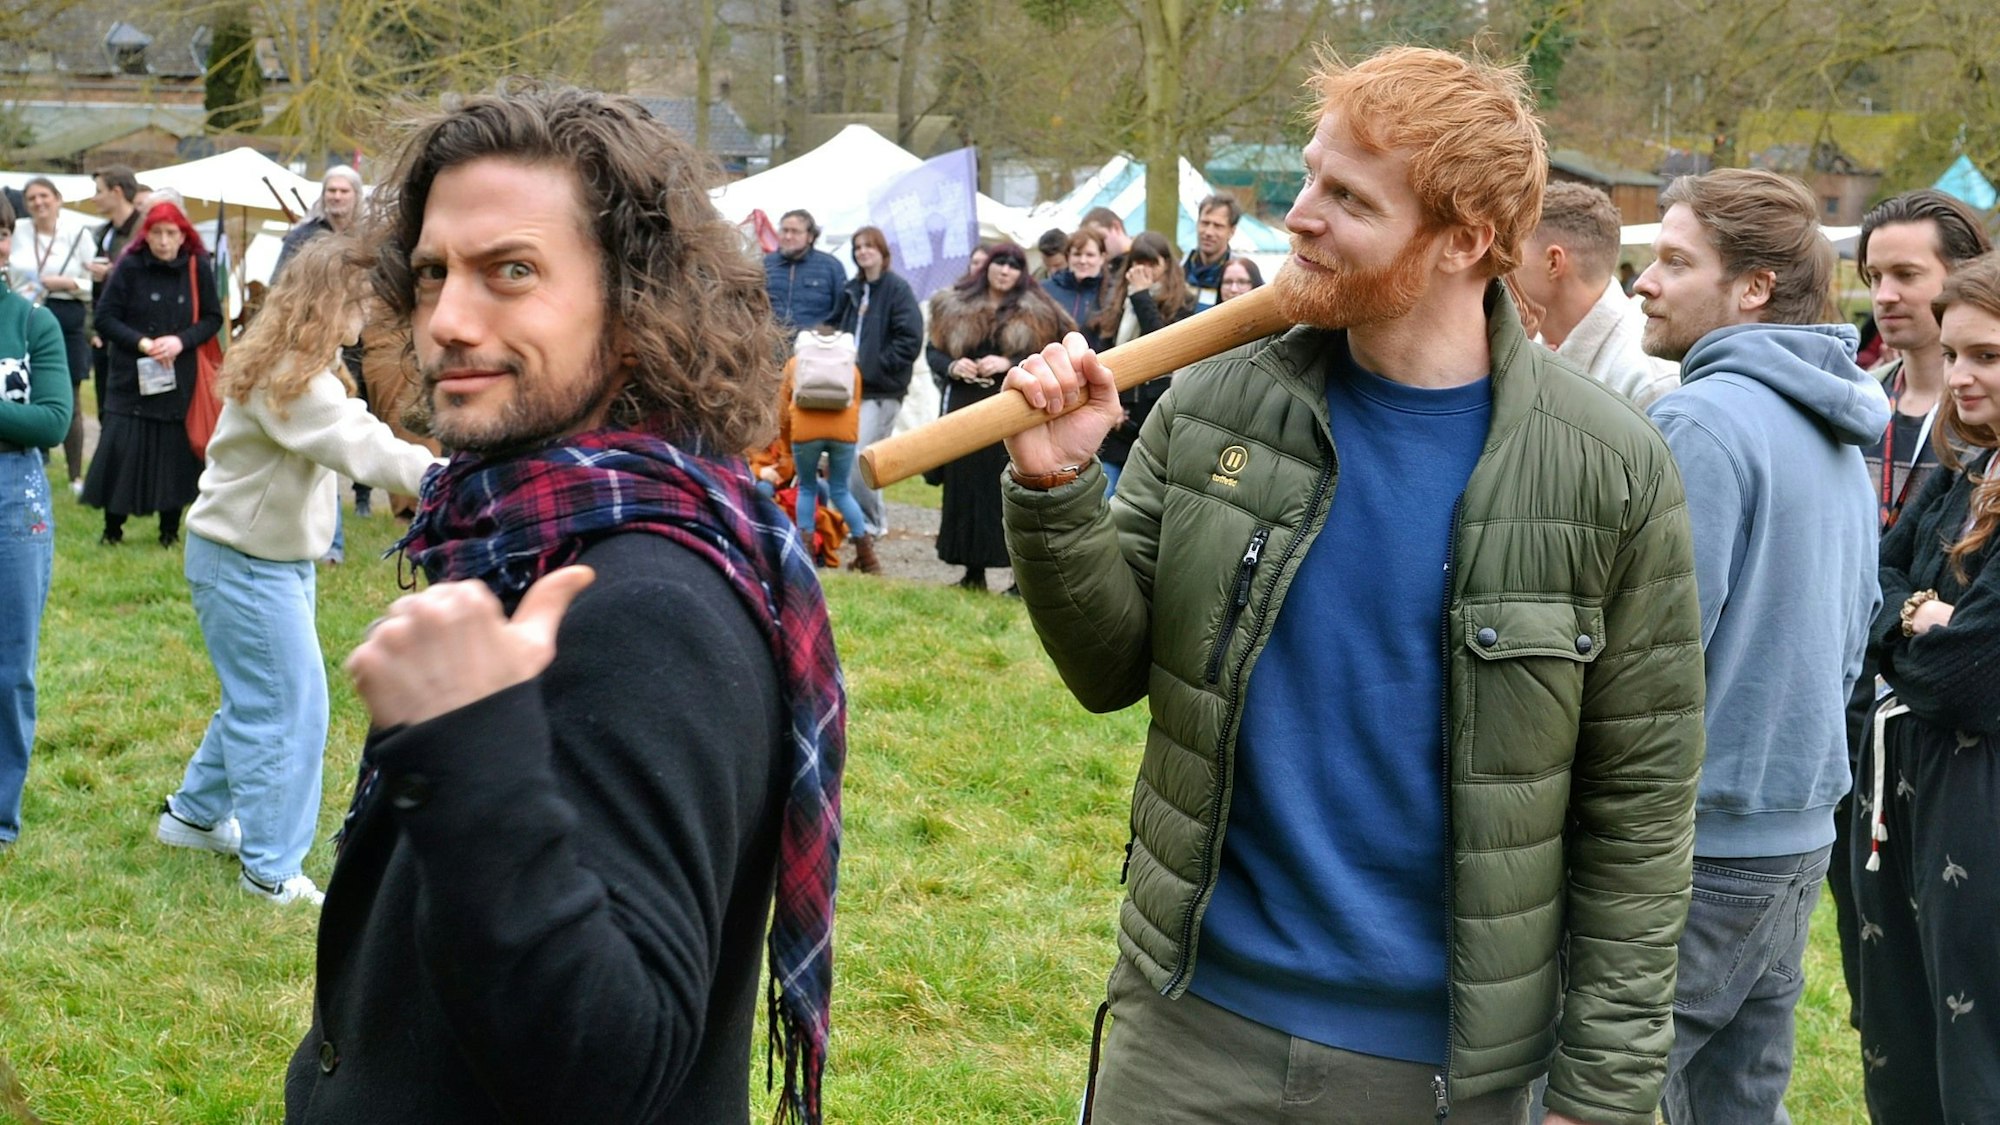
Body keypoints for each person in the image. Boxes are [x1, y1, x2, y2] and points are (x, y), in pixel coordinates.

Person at [1001, 46, 1704, 1124]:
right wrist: (1054, 492)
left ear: (1465, 239)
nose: (1297, 218)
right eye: (1305, 178)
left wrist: (1600, 1094)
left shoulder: (1605, 469)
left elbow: (1638, 811)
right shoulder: (1214, 404)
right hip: (1187, 1026)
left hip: (1435, 1069)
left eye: (1345, 198)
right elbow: (1106, 669)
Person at [283, 85, 843, 1125]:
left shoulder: (642, 605)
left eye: (511, 272)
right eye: (433, 275)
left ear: (636, 315)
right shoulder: (518, 537)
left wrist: (465, 750)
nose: (447, 320)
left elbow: (607, 1073)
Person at [1633, 168, 1889, 1123]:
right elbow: (1857, 629)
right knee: (1737, 1107)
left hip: (1702, 845)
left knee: (1588, 1096)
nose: (1644, 283)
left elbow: (1653, 660)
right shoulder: (1838, 427)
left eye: (1672, 261)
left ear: (1753, 289)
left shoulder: (1699, 420)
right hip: (1796, 833)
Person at [153, 235, 438, 905]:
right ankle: (272, 868)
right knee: (292, 709)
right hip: (248, 566)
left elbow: (352, 423)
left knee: (262, 695)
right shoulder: (295, 376)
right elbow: (357, 443)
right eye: (360, 301)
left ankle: (193, 815)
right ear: (329, 301)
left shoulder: (302, 363)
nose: (367, 313)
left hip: (260, 561)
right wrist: (443, 477)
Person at [1831, 187, 1991, 1020]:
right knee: (1879, 988)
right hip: (1846, 717)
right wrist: (1912, 608)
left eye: (1904, 273)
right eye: (1871, 275)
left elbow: (1970, 653)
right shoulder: (1852, 403)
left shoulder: (1977, 433)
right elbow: (1864, 578)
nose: (1884, 294)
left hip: (1946, 741)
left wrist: (1908, 609)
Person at [1853, 249, 2000, 1124]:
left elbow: (1967, 679)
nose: (1963, 377)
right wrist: (1918, 616)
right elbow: (1868, 586)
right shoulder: (1959, 472)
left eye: (1989, 356)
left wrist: (1915, 632)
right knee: (1899, 1034)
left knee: (1978, 1053)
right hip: (1905, 792)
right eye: (1957, 354)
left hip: (1981, 810)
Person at [927, 241, 1071, 593]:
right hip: (964, 405)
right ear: (986, 267)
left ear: (1022, 273)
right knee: (964, 490)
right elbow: (932, 350)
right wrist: (952, 365)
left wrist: (1010, 362)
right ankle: (971, 572)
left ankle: (1017, 580)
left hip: (1010, 407)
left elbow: (1052, 353)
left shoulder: (1039, 310)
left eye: (1014, 264)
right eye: (999, 263)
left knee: (1006, 490)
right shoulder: (953, 303)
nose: (1005, 270)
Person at [0, 192, 74, 853]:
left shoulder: (32, 324)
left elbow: (52, 421)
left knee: (9, 666)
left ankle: (0, 814)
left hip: (13, 496)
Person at [83, 202, 221, 548]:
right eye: (157, 233)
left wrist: (179, 341)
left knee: (173, 454)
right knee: (122, 449)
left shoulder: (196, 265)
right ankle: (112, 529)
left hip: (178, 375)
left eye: (170, 233)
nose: (163, 241)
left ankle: (169, 531)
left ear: (183, 235)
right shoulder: (129, 266)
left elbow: (212, 318)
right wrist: (143, 343)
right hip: (131, 377)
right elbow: (105, 317)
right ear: (146, 235)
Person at [274, 165, 379, 542]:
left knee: (361, 409)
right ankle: (325, 532)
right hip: (312, 342)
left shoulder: (367, 239)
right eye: (331, 191)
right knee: (323, 423)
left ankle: (363, 496)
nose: (336, 197)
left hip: (358, 342)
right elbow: (281, 288)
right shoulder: (303, 236)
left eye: (343, 191)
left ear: (355, 196)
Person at [1509, 181, 1680, 409]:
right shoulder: (1528, 348)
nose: (1501, 267)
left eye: (1512, 254)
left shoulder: (1646, 381)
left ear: (1553, 262)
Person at [833, 225, 923, 541]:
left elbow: (910, 339)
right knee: (843, 457)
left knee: (863, 458)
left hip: (881, 390)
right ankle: (854, 522)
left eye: (869, 246)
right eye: (858, 247)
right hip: (847, 389)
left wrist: (875, 367)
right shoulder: (852, 290)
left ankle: (872, 524)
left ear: (882, 251)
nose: (863, 252)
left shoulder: (897, 290)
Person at [9, 178, 94, 494]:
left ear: (58, 199)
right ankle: (37, 459)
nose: (39, 202)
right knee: (24, 389)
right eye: (32, 197)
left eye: (44, 196)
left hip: (64, 314)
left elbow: (91, 283)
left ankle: (75, 474)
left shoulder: (78, 234)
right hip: (24, 314)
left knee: (68, 397)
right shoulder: (16, 231)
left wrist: (68, 283)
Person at [1091, 230, 1193, 495]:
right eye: (1139, 262)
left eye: (1152, 264)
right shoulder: (1118, 300)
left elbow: (1160, 347)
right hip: (1115, 422)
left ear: (1166, 266)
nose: (1143, 270)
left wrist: (1141, 296)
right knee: (1104, 500)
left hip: (1149, 419)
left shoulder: (1181, 304)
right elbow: (1106, 353)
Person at [783, 325, 880, 573]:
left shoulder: (796, 363)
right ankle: (867, 557)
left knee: (807, 487)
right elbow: (856, 402)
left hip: (805, 431)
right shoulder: (849, 366)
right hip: (843, 433)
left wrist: (787, 439)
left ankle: (806, 553)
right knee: (839, 490)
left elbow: (783, 404)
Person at [87, 165, 144, 422]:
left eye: (99, 191)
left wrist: (110, 275)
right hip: (105, 337)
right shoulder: (103, 233)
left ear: (117, 191)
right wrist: (93, 330)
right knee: (105, 414)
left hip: (135, 338)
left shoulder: (146, 231)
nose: (94, 198)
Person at [763, 208, 846, 335]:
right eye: (784, 230)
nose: (788, 236)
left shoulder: (831, 267)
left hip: (815, 346)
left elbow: (842, 309)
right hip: (773, 343)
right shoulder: (766, 264)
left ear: (810, 237)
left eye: (795, 232)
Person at [1042, 227, 1109, 349]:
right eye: (1077, 254)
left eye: (1090, 255)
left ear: (1102, 258)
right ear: (1068, 257)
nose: (1083, 261)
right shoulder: (1045, 290)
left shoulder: (1113, 294)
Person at [1184, 193, 1241, 308]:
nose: (1209, 232)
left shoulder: (1241, 278)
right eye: (1205, 223)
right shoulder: (1178, 271)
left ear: (1232, 231)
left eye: (1218, 226)